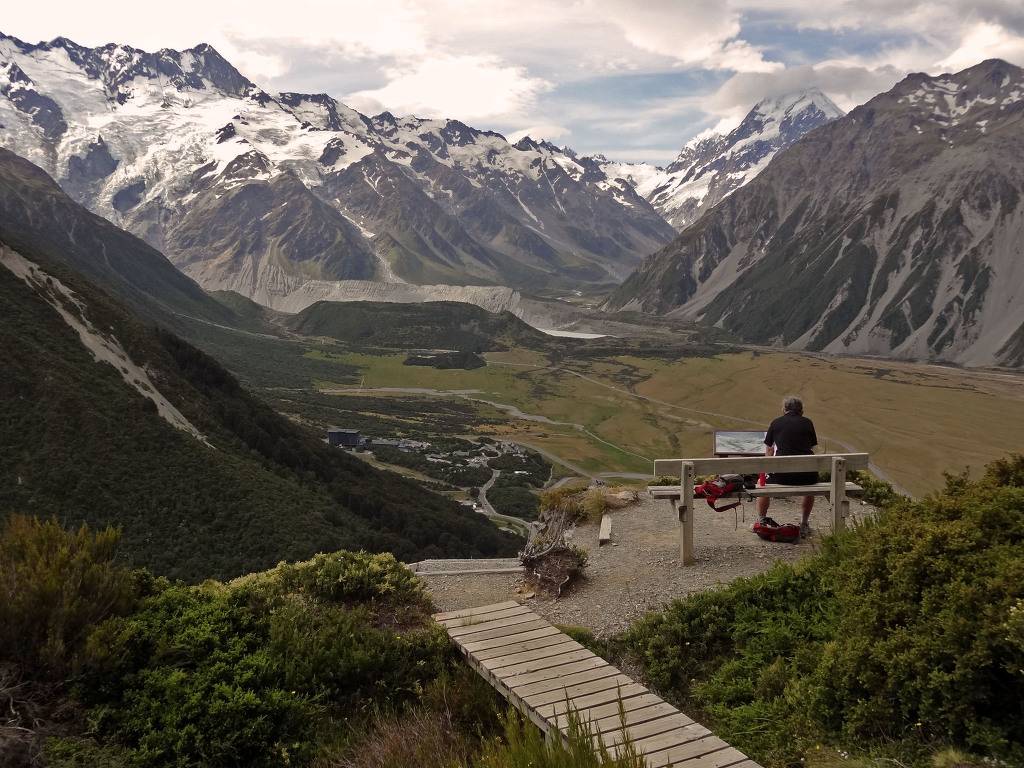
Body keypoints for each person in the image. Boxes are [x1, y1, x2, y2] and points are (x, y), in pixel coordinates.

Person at [757, 395, 818, 538]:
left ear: (784, 409)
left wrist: (768, 470)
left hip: (782, 476)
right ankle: (804, 523)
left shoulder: (776, 423)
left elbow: (770, 451)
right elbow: (811, 447)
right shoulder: (808, 423)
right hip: (807, 477)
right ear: (801, 410)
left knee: (762, 484)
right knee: (811, 486)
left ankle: (761, 520)